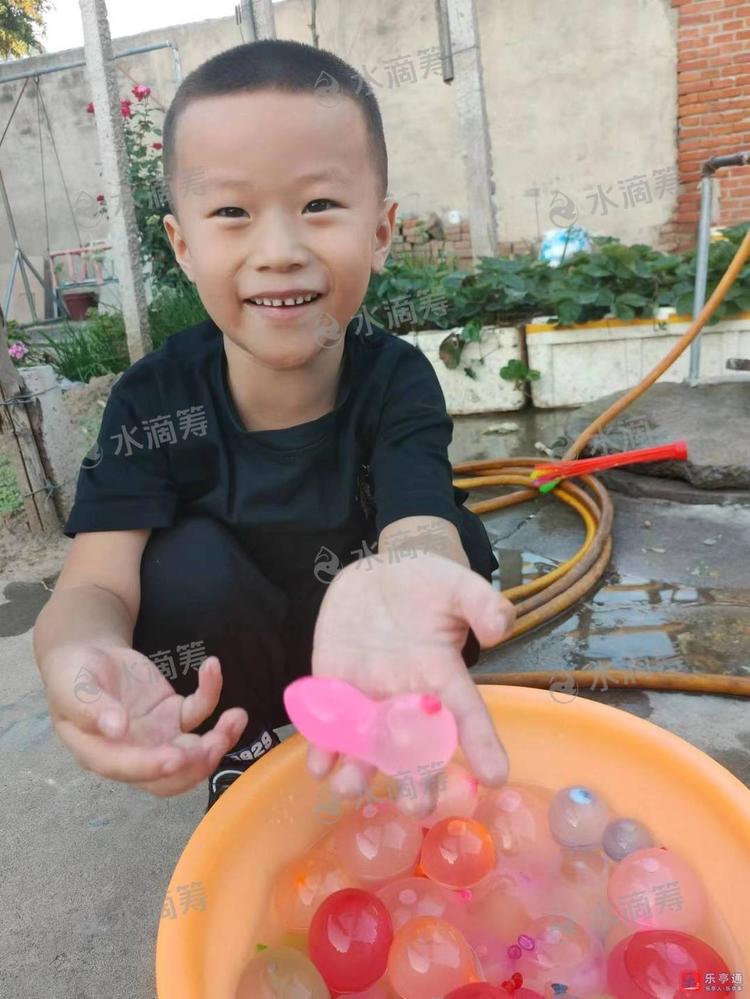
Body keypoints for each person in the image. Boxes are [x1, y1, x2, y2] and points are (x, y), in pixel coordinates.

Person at [33, 38, 516, 816]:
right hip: (232, 642)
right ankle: (247, 745)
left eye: (319, 205)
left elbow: (419, 520)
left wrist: (414, 575)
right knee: (180, 569)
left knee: (452, 559)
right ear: (183, 245)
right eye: (232, 213)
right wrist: (78, 652)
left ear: (381, 231)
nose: (280, 252)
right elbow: (93, 583)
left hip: (363, 629)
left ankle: (389, 707)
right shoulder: (152, 401)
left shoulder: (394, 376)